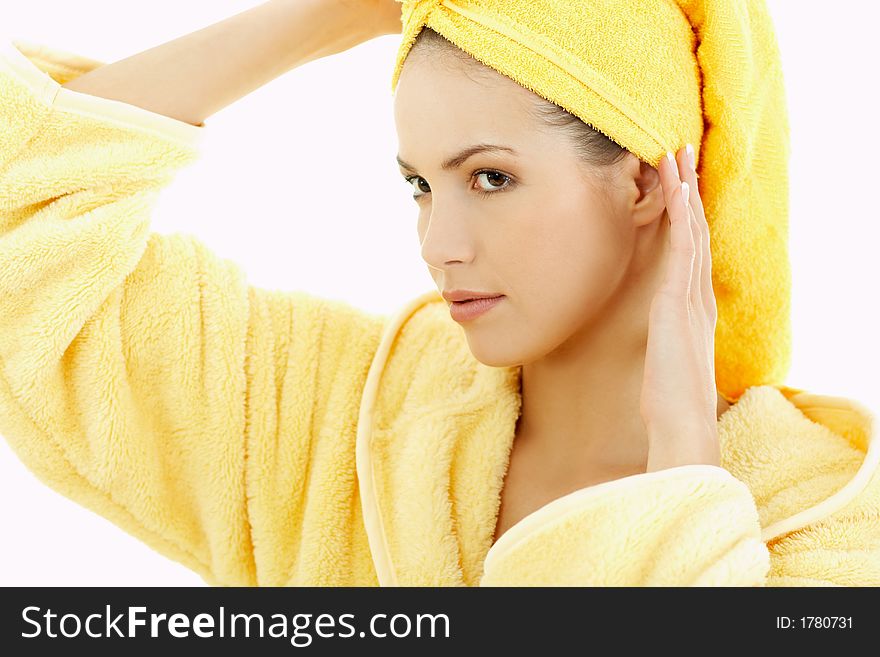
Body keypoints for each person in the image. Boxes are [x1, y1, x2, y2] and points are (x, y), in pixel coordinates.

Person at [0, 0, 877, 587]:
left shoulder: (828, 523)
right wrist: (327, 18)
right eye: (419, 184)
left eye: (490, 178)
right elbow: (25, 229)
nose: (437, 243)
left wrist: (683, 470)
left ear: (648, 185)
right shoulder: (334, 423)